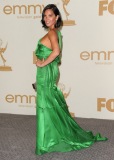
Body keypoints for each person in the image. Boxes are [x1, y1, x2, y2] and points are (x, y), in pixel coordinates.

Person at [35, 4, 107, 155]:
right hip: (48, 72)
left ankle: (46, 142)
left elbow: (56, 52)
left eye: (50, 15)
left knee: (44, 105)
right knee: (49, 104)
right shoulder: (54, 33)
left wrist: (42, 63)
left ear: (57, 17)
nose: (46, 18)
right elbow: (55, 54)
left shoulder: (53, 33)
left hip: (46, 72)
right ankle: (49, 137)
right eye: (45, 15)